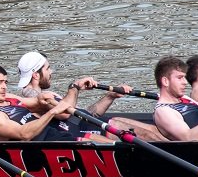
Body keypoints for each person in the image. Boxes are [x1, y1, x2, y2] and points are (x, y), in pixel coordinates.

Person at [11, 51, 158, 141]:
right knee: (147, 135)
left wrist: (110, 96)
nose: (51, 72)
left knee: (152, 131)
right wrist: (74, 87)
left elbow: (86, 114)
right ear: (36, 75)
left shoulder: (43, 93)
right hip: (85, 131)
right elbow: (64, 114)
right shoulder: (31, 95)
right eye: (48, 68)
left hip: (90, 122)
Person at [0, 62, 94, 141]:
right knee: (90, 143)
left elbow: (33, 103)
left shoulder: (8, 97)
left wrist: (40, 98)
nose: (4, 86)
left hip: (54, 134)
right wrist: (52, 112)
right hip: (44, 148)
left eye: (5, 82)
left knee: (94, 141)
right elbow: (23, 134)